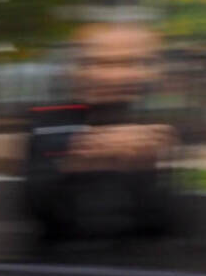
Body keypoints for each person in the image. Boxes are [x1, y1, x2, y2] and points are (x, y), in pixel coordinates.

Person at [22, 21, 179, 260]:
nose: (116, 76)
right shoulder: (49, 123)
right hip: (63, 274)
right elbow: (35, 215)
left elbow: (175, 227)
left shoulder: (162, 124)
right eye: (103, 63)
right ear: (79, 69)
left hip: (143, 274)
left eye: (130, 63)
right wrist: (80, 161)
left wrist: (155, 163)